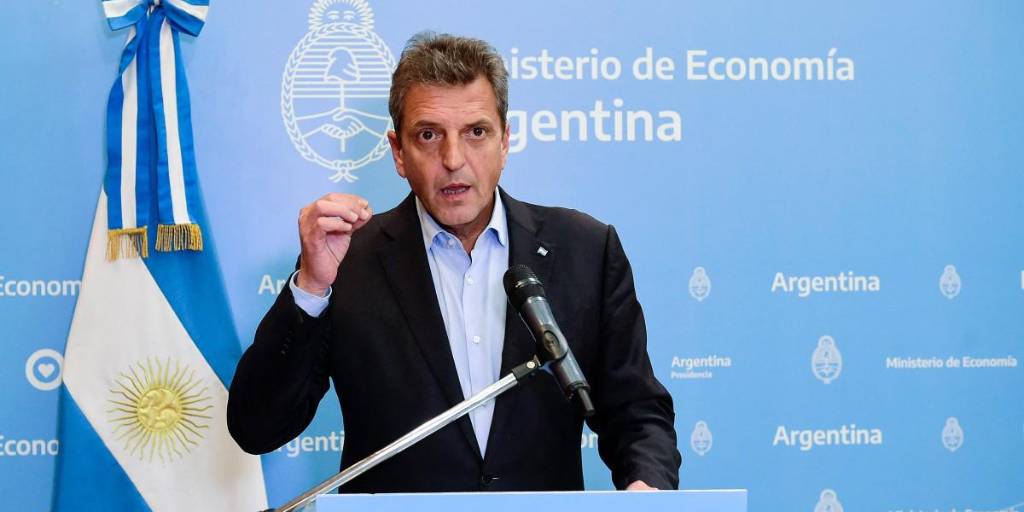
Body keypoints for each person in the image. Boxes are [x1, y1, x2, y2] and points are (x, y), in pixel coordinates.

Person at [227, 32, 680, 494]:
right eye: (428, 135)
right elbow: (257, 427)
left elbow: (637, 412)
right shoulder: (349, 261)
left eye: (476, 133)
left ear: (505, 141)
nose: (453, 160)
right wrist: (311, 288)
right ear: (398, 153)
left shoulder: (585, 249)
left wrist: (647, 486)